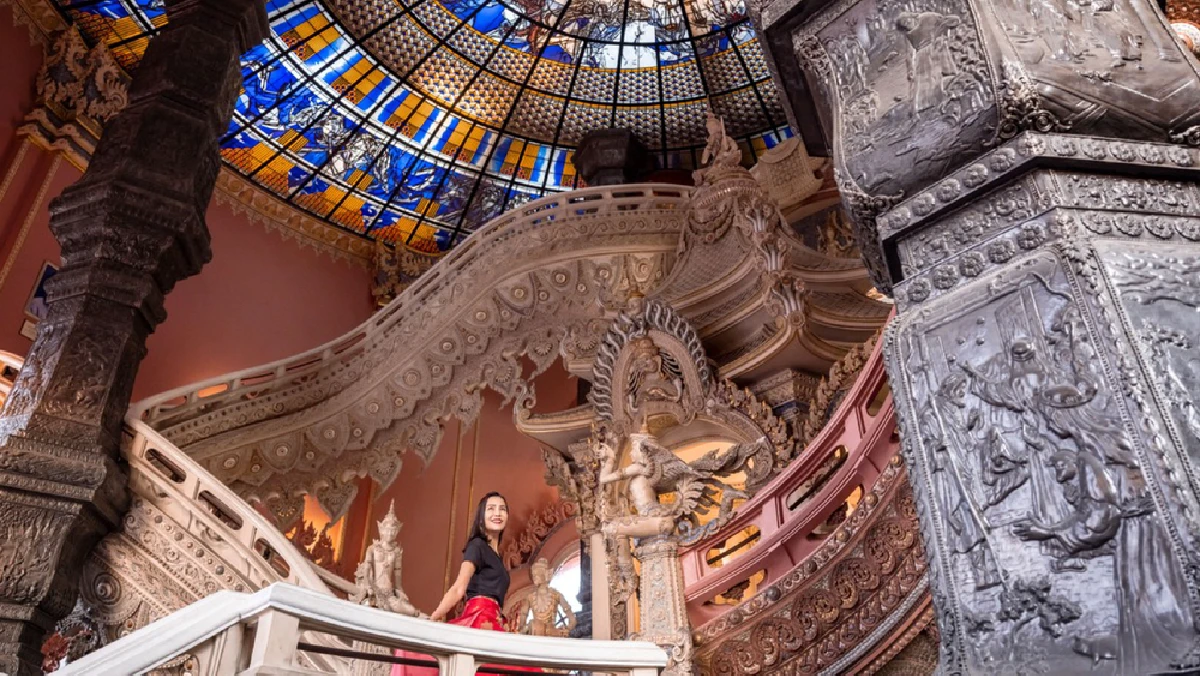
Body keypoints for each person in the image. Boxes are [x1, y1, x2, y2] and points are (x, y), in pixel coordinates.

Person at [392, 492, 541, 675]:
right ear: (481, 516)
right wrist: (432, 619)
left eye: (502, 509)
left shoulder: (496, 556)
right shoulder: (476, 546)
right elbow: (458, 588)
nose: (497, 513)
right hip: (479, 617)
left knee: (524, 663)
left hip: (495, 621)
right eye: (491, 508)